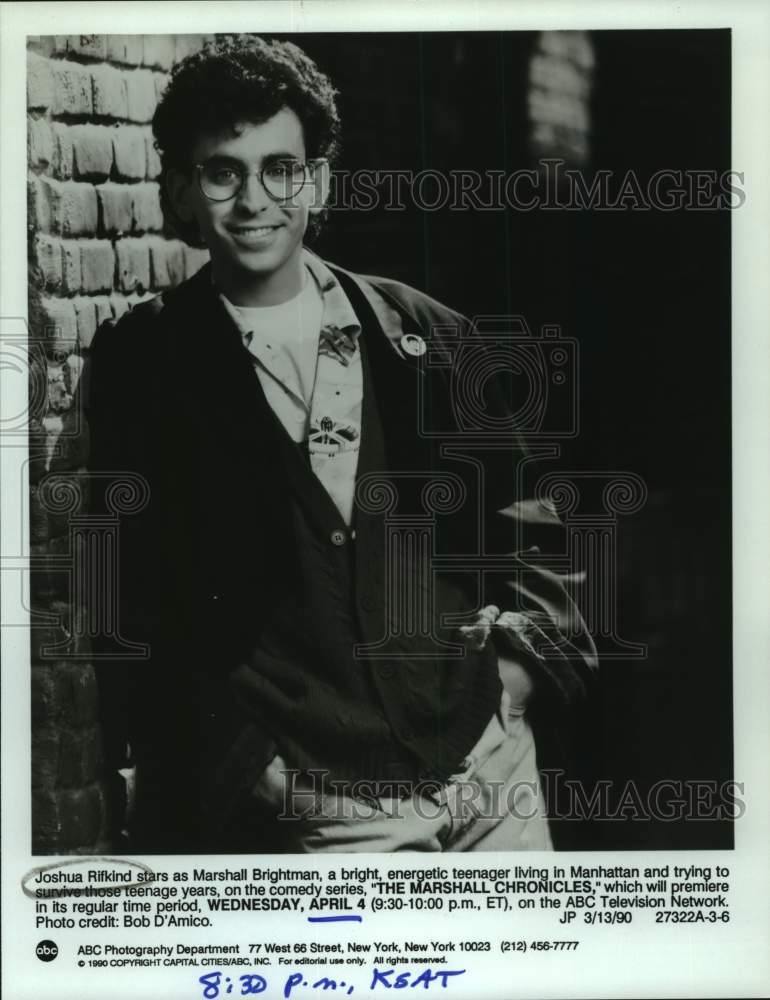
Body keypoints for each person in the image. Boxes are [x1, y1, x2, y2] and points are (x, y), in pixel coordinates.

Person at [83, 35, 597, 854]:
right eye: (223, 172)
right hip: (324, 799)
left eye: (280, 169)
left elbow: (539, 515)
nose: (255, 199)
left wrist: (516, 674)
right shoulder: (144, 364)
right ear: (181, 190)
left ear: (317, 181)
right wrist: (246, 761)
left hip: (489, 771)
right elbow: (126, 592)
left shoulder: (421, 330)